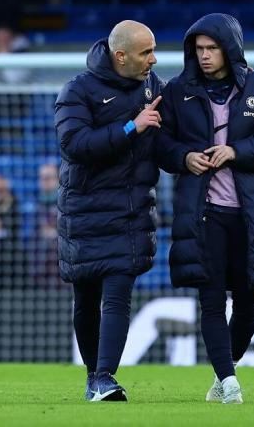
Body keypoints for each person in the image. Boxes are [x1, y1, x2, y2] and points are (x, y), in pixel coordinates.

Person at [156, 13, 254, 403]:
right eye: (198, 49)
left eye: (211, 48)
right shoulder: (177, 92)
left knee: (249, 303)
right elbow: (160, 144)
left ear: (229, 48)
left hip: (252, 215)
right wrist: (184, 157)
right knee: (211, 297)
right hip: (204, 214)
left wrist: (235, 151)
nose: (203, 56)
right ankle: (230, 381)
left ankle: (224, 375)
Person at [55, 20, 163, 402]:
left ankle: (104, 377)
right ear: (120, 56)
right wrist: (130, 127)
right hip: (84, 212)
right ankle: (92, 377)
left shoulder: (153, 86)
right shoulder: (77, 91)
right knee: (85, 300)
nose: (154, 59)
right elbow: (75, 144)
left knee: (118, 294)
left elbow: (163, 141)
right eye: (145, 52)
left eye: (153, 50)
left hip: (131, 213)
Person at [30, 162, 63, 288]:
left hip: (61, 274)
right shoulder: (37, 207)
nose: (44, 182)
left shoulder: (67, 204)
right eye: (42, 178)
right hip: (40, 272)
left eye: (48, 178)